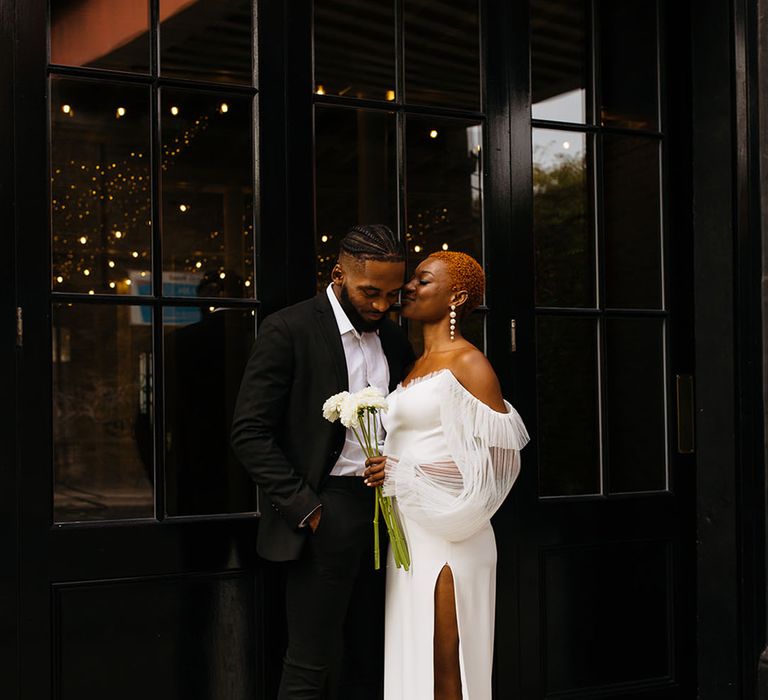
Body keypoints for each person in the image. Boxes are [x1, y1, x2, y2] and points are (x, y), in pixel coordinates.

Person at [231, 224, 414, 700]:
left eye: (392, 295)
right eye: (369, 292)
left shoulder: (395, 340)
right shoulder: (288, 329)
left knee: (372, 657)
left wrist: (398, 463)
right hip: (325, 511)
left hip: (389, 514)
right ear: (338, 276)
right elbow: (249, 432)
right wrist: (307, 509)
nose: (380, 305)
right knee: (309, 663)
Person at [365, 251, 529, 700]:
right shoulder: (414, 366)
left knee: (446, 659)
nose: (409, 288)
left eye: (423, 280)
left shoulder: (469, 364)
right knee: (414, 652)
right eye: (413, 281)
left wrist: (404, 472)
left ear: (456, 296)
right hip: (410, 531)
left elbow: (498, 466)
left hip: (452, 532)